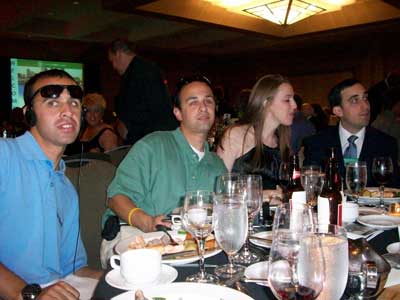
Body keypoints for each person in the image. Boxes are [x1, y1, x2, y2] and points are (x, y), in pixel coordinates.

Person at [100, 75, 227, 268]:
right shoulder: (153, 146)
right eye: (193, 102)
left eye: (208, 101)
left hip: (190, 250)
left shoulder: (217, 165)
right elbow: (115, 197)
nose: (203, 107)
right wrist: (146, 221)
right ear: (178, 113)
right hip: (136, 241)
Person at [0, 69, 102, 300]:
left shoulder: (66, 189)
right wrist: (25, 294)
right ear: (29, 115)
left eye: (74, 103)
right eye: (53, 103)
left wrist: (119, 277)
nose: (68, 111)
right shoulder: (4, 155)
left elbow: (74, 270)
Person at [303, 78, 400, 187]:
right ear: (338, 111)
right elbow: (310, 185)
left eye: (365, 98)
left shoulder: (386, 143)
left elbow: (393, 190)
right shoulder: (317, 143)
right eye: (355, 100)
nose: (366, 106)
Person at [217, 74, 297, 190]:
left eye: (293, 99)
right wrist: (258, 196)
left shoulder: (282, 141)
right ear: (266, 103)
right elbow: (219, 187)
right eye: (287, 100)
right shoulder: (236, 136)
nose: (294, 105)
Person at [108, 39, 178, 144]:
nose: (114, 67)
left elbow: (154, 109)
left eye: (112, 61)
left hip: (150, 141)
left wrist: (129, 130)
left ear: (118, 54)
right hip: (152, 138)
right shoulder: (145, 70)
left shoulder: (141, 73)